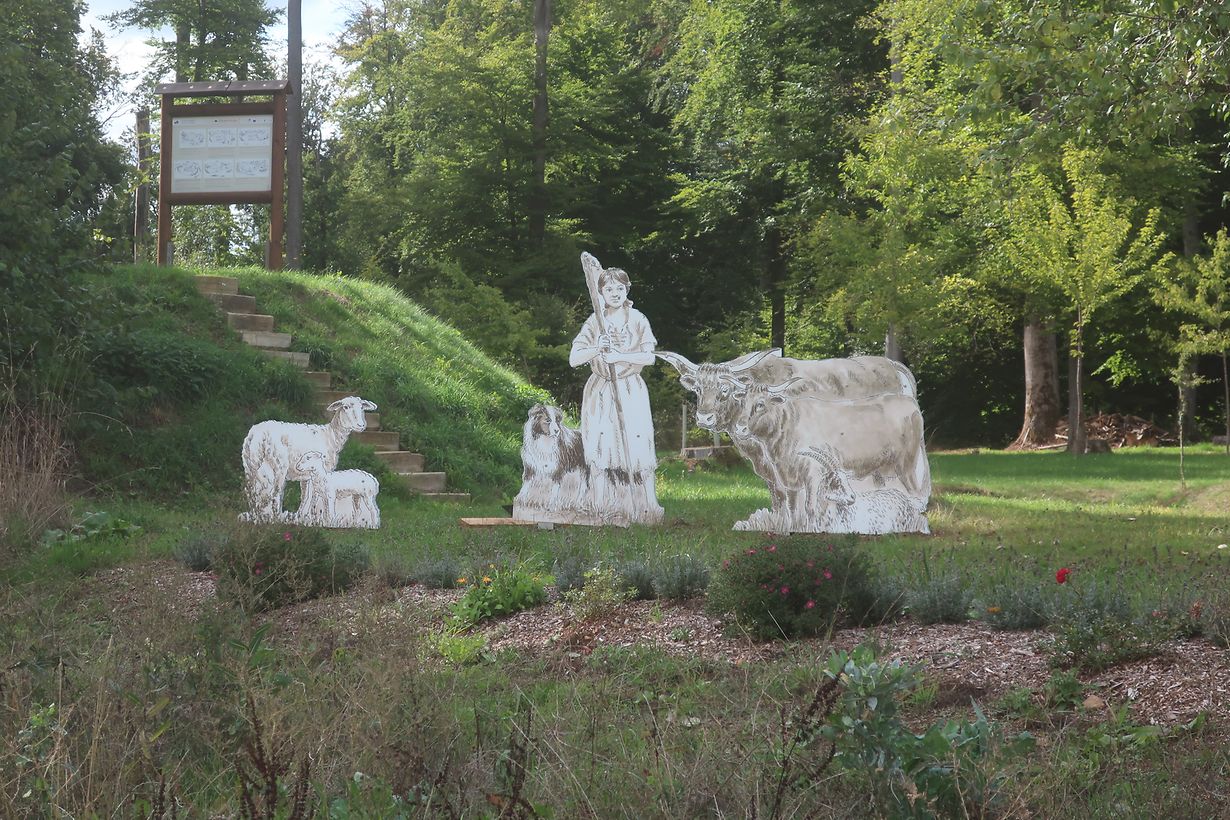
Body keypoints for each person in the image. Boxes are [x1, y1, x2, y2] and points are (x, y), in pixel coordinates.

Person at [569, 267, 664, 524]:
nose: (614, 293)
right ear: (601, 292)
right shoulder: (595, 321)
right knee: (600, 445)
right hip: (600, 390)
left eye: (619, 288)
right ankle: (599, 504)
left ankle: (648, 504)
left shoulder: (638, 319)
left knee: (638, 443)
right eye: (608, 289)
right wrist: (596, 348)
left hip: (630, 388)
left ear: (627, 289)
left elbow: (649, 357)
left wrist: (619, 356)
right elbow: (574, 358)